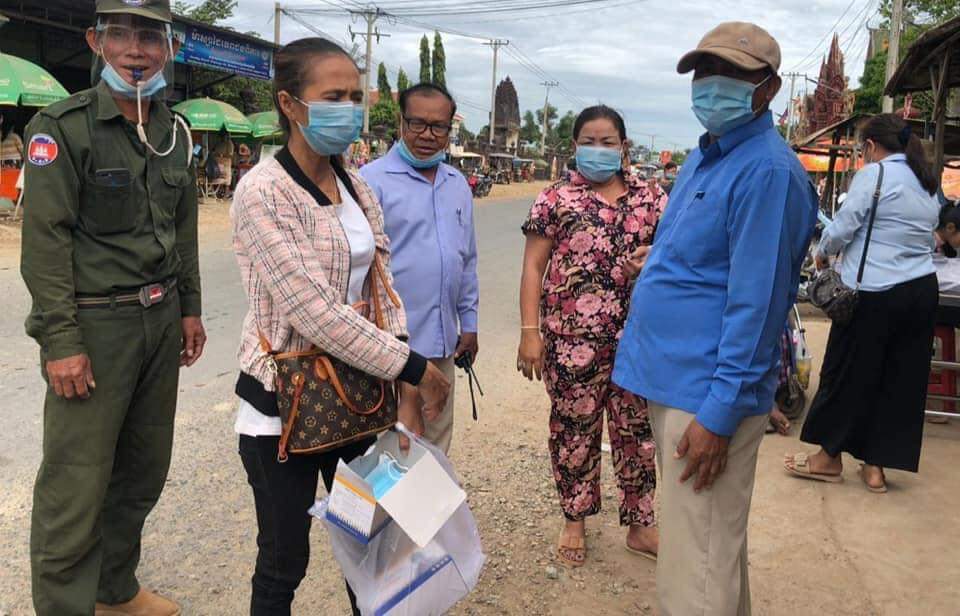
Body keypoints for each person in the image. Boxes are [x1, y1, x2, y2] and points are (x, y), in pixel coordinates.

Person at [230, 38, 451, 616]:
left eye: (355, 96)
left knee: (369, 544)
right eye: (333, 97)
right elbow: (313, 312)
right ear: (290, 104)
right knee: (284, 559)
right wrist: (414, 368)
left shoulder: (356, 186)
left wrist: (401, 383)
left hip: (356, 404)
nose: (349, 110)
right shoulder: (262, 192)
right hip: (284, 410)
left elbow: (385, 289)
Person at [612, 23, 818, 615]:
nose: (712, 85)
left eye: (731, 73)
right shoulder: (707, 157)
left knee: (695, 572)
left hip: (705, 394)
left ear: (769, 88)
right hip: (675, 380)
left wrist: (720, 413)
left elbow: (759, 304)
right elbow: (712, 258)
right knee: (708, 551)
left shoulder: (768, 172)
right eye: (704, 72)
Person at [20, 1, 205, 614]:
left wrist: (190, 308)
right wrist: (61, 342)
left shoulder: (175, 133)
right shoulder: (61, 128)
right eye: (120, 34)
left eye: (149, 36)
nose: (135, 50)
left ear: (169, 47)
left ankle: (113, 590)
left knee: (142, 471)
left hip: (159, 321)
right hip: (95, 328)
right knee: (76, 481)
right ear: (94, 40)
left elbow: (182, 231)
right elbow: (45, 244)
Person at [518, 105, 665, 569]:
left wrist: (653, 257)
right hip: (571, 341)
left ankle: (641, 524)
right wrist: (529, 333)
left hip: (637, 341)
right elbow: (533, 267)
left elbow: (676, 257)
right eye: (588, 142)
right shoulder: (555, 198)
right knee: (574, 431)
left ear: (624, 146)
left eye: (607, 142)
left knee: (637, 432)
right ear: (574, 145)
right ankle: (575, 519)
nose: (597, 150)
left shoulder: (652, 199)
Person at [786, 114, 941, 493]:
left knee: (846, 373)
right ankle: (875, 468)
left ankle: (829, 458)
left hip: (873, 292)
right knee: (899, 379)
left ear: (871, 146)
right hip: (921, 290)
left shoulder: (875, 175)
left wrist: (822, 252)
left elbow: (843, 226)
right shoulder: (926, 181)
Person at [360, 83, 479, 454]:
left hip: (442, 342)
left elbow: (467, 260)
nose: (428, 135)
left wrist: (469, 323)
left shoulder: (457, 185)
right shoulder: (370, 181)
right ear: (401, 122)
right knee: (389, 450)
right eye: (418, 124)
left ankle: (432, 496)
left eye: (438, 126)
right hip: (388, 347)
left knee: (435, 446)